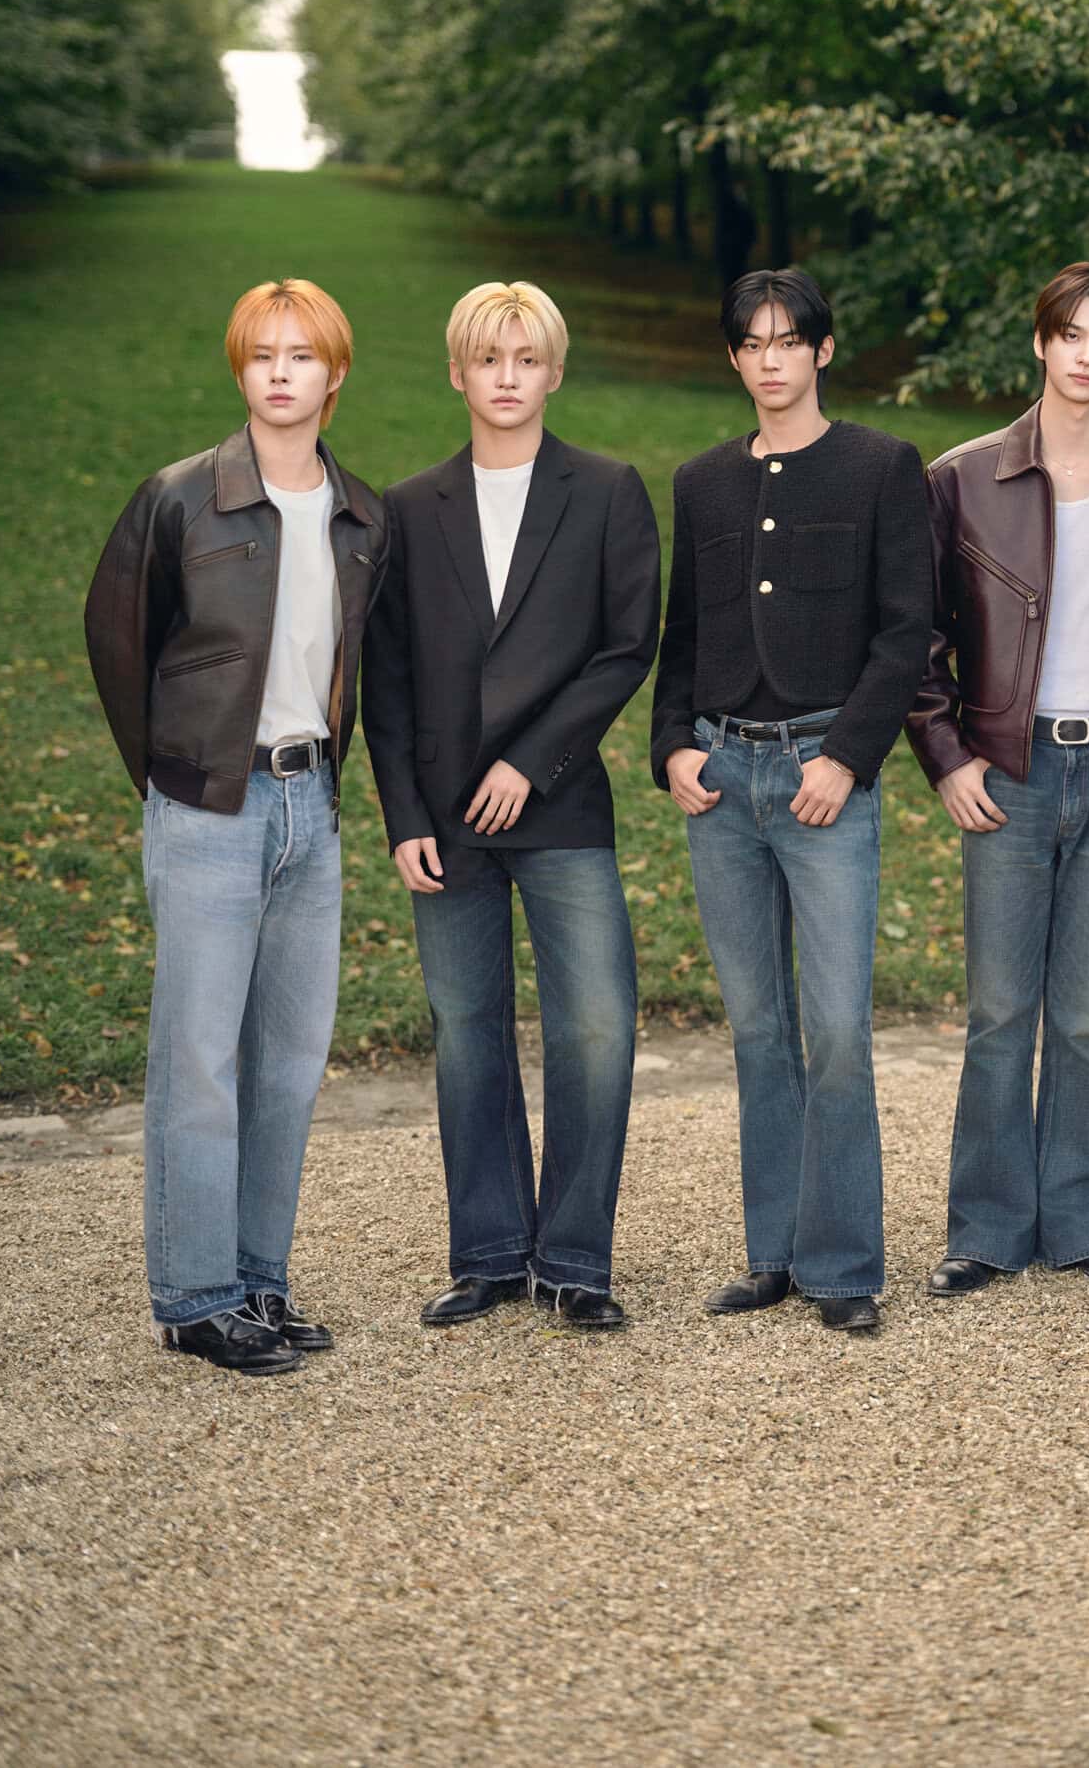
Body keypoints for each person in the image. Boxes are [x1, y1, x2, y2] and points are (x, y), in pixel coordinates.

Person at [84, 279, 385, 1375]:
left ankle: (260, 1279)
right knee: (200, 1060)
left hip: (313, 806)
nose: (280, 372)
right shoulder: (179, 499)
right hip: (207, 802)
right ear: (240, 369)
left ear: (334, 373)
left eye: (302, 355)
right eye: (263, 354)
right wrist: (171, 775)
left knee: (288, 1061)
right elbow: (119, 641)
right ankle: (195, 1295)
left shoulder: (361, 516)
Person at [361, 281, 659, 1333]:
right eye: (488, 359)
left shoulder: (608, 490)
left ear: (554, 373)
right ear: (457, 372)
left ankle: (575, 1259)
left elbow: (625, 647)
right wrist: (404, 815)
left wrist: (532, 761)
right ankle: (489, 1253)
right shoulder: (409, 507)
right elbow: (387, 677)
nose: (507, 378)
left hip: (562, 805)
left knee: (596, 1027)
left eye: (526, 360)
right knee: (466, 1032)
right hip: (445, 820)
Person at [907, 263, 1089, 1299]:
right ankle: (986, 1229)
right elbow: (916, 638)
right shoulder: (962, 479)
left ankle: (1083, 1226)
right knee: (999, 1011)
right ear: (1040, 341)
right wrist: (947, 755)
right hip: (1009, 770)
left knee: (1082, 1014)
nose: (1085, 356)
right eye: (1070, 334)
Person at [652, 269, 931, 1334]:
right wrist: (672, 746)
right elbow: (684, 631)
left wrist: (847, 757)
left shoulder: (880, 467)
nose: (770, 360)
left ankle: (845, 1266)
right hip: (723, 782)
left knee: (837, 1031)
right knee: (758, 1027)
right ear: (734, 358)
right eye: (752, 344)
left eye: (788, 341)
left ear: (823, 350)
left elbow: (906, 632)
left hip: (823, 780)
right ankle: (772, 1252)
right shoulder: (701, 482)